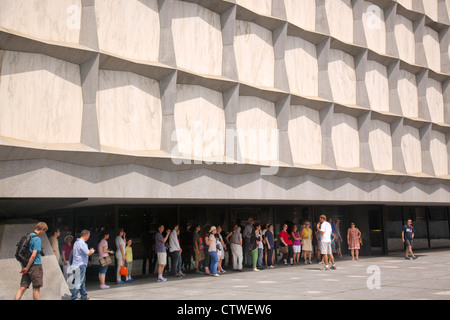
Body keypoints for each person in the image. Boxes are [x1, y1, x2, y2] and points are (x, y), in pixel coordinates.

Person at [14, 222, 48, 300]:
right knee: (36, 288)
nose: (43, 233)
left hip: (26, 266)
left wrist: (24, 267)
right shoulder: (37, 239)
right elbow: (33, 255)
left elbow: (20, 253)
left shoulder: (26, 237)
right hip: (35, 266)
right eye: (44, 231)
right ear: (42, 229)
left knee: (22, 287)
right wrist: (27, 267)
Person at [70, 229, 95, 300]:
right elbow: (87, 253)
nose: (88, 238)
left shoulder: (76, 242)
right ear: (86, 235)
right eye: (88, 236)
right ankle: (74, 297)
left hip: (76, 264)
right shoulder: (82, 243)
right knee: (78, 281)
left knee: (82, 281)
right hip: (80, 264)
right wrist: (92, 251)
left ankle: (84, 295)